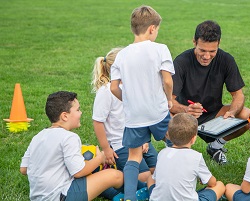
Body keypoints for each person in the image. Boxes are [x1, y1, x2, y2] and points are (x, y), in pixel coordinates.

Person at [110, 5, 175, 201]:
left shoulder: (121, 55)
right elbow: (167, 80)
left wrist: (128, 101)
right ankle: (178, 183)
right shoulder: (160, 49)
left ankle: (129, 197)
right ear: (152, 29)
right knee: (175, 143)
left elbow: (114, 88)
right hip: (157, 111)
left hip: (134, 115)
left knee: (134, 157)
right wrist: (169, 99)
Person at [170, 20, 250, 165]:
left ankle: (215, 146)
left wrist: (232, 112)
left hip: (214, 114)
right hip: (185, 115)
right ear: (194, 42)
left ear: (218, 44)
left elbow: (238, 95)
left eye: (212, 51)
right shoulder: (181, 61)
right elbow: (169, 101)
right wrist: (186, 109)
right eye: (202, 50)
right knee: (166, 115)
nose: (207, 56)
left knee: (246, 115)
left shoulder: (226, 60)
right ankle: (176, 153)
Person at [20, 91, 123, 201]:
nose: (81, 113)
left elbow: (24, 169)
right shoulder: (69, 137)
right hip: (61, 196)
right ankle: (136, 193)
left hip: (38, 198)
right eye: (78, 110)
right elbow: (79, 172)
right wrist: (100, 158)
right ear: (65, 116)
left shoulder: (38, 136)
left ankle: (116, 195)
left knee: (90, 174)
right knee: (115, 175)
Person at [91, 48, 158, 199]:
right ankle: (111, 180)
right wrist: (106, 149)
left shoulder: (133, 87)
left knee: (159, 170)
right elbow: (98, 122)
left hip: (139, 139)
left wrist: (145, 140)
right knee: (146, 176)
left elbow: (139, 116)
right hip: (119, 144)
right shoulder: (106, 92)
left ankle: (143, 188)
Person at [147, 113, 226, 201]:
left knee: (150, 178)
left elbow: (155, 178)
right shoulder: (196, 157)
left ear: (168, 135)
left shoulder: (162, 153)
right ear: (193, 139)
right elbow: (212, 183)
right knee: (219, 185)